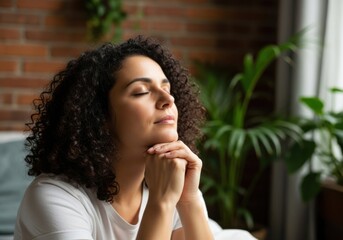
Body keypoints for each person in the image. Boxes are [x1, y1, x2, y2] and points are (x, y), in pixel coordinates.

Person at [14, 35, 214, 240]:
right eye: (141, 92)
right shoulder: (55, 198)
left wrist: (190, 200)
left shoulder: (169, 187)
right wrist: (160, 203)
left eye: (167, 88)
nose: (168, 99)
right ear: (99, 116)